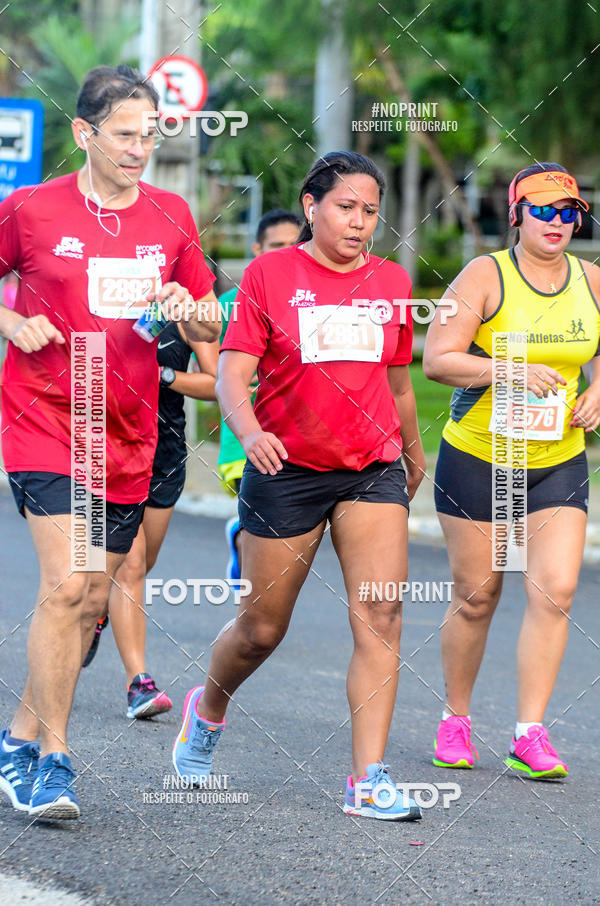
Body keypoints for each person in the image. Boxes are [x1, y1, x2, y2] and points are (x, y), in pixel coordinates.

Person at [173, 151, 427, 821]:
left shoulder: (391, 280)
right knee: (261, 629)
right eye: (347, 207)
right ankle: (209, 709)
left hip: (370, 467)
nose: (360, 222)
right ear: (312, 206)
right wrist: (249, 431)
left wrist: (412, 448)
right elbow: (232, 373)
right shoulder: (269, 274)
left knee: (381, 615)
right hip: (285, 469)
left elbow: (399, 380)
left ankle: (368, 778)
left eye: (371, 211)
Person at [0, 65, 219, 819]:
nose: (139, 149)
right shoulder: (30, 209)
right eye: (124, 135)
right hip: (45, 414)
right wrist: (9, 321)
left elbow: (207, 324)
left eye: (149, 135)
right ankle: (54, 762)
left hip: (125, 429)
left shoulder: (172, 214)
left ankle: (17, 739)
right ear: (84, 133)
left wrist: (189, 307)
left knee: (91, 595)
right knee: (66, 584)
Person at [423, 162, 600, 780]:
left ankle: (529, 734)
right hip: (480, 457)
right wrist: (507, 369)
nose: (557, 222)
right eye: (544, 210)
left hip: (556, 461)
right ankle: (456, 719)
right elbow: (436, 359)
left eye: (568, 211)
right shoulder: (486, 275)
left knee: (556, 590)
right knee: (477, 596)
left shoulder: (593, 279)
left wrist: (599, 388)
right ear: (518, 212)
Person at [83, 324, 219, 720]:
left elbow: (219, 383)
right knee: (131, 563)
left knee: (141, 566)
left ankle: (98, 611)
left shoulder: (187, 313)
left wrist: (165, 376)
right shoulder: (102, 303)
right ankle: (138, 684)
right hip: (106, 446)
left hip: (164, 451)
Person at [218, 209, 301, 581]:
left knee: (283, 546)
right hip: (244, 439)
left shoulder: (306, 299)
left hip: (297, 436)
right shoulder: (229, 305)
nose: (285, 252)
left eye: (293, 244)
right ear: (256, 248)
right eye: (275, 246)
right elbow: (217, 375)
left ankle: (243, 539)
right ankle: (243, 540)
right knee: (261, 527)